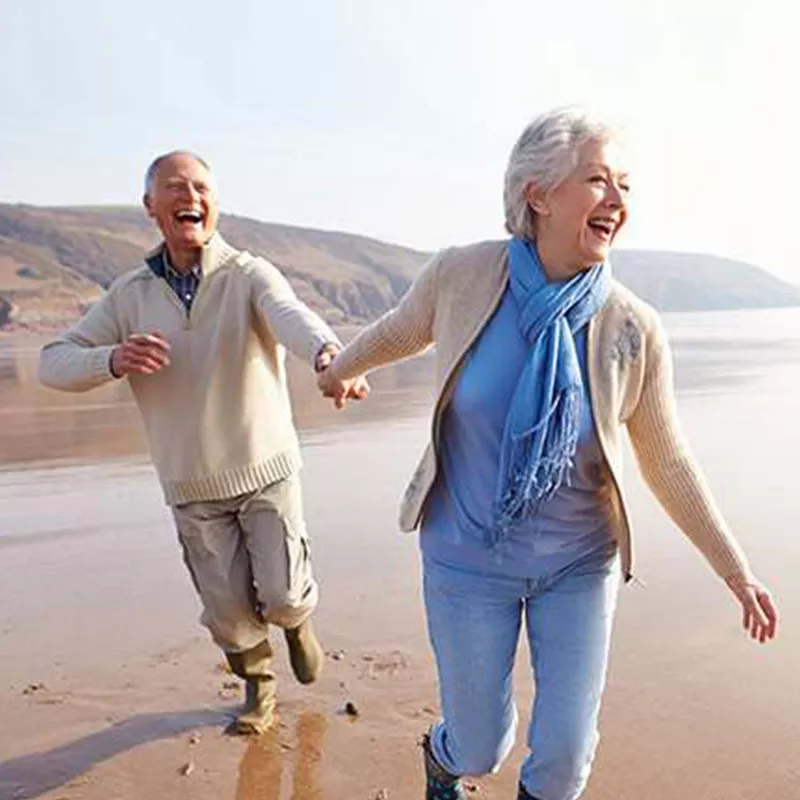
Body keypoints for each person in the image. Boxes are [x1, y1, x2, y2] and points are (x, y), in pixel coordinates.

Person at [317, 108, 779, 800]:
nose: (619, 202)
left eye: (625, 185)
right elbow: (397, 333)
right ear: (538, 193)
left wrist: (735, 570)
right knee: (480, 746)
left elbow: (669, 460)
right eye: (598, 181)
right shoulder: (462, 276)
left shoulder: (631, 327)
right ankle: (442, 760)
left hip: (577, 565)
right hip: (468, 559)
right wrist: (337, 370)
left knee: (564, 760)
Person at [39, 151, 368, 735]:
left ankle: (297, 622)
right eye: (174, 187)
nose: (190, 196)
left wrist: (328, 355)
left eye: (200, 187)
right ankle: (259, 689)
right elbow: (53, 364)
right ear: (151, 207)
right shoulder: (129, 295)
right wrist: (111, 358)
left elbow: (292, 315)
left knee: (284, 592)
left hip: (265, 466)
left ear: (215, 201)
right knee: (229, 612)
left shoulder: (248, 273)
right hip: (190, 483)